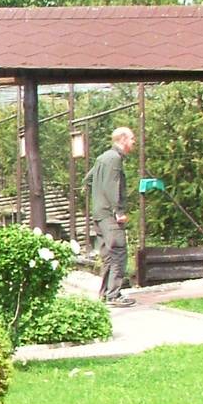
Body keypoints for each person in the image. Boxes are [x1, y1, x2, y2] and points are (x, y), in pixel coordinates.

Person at [88, 126, 136, 306]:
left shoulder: (102, 157)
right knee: (118, 253)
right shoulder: (115, 159)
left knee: (108, 255)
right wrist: (119, 212)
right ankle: (113, 295)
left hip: (99, 213)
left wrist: (98, 200)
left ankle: (105, 294)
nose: (133, 142)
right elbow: (112, 187)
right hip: (109, 215)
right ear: (122, 139)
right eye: (132, 139)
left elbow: (88, 180)